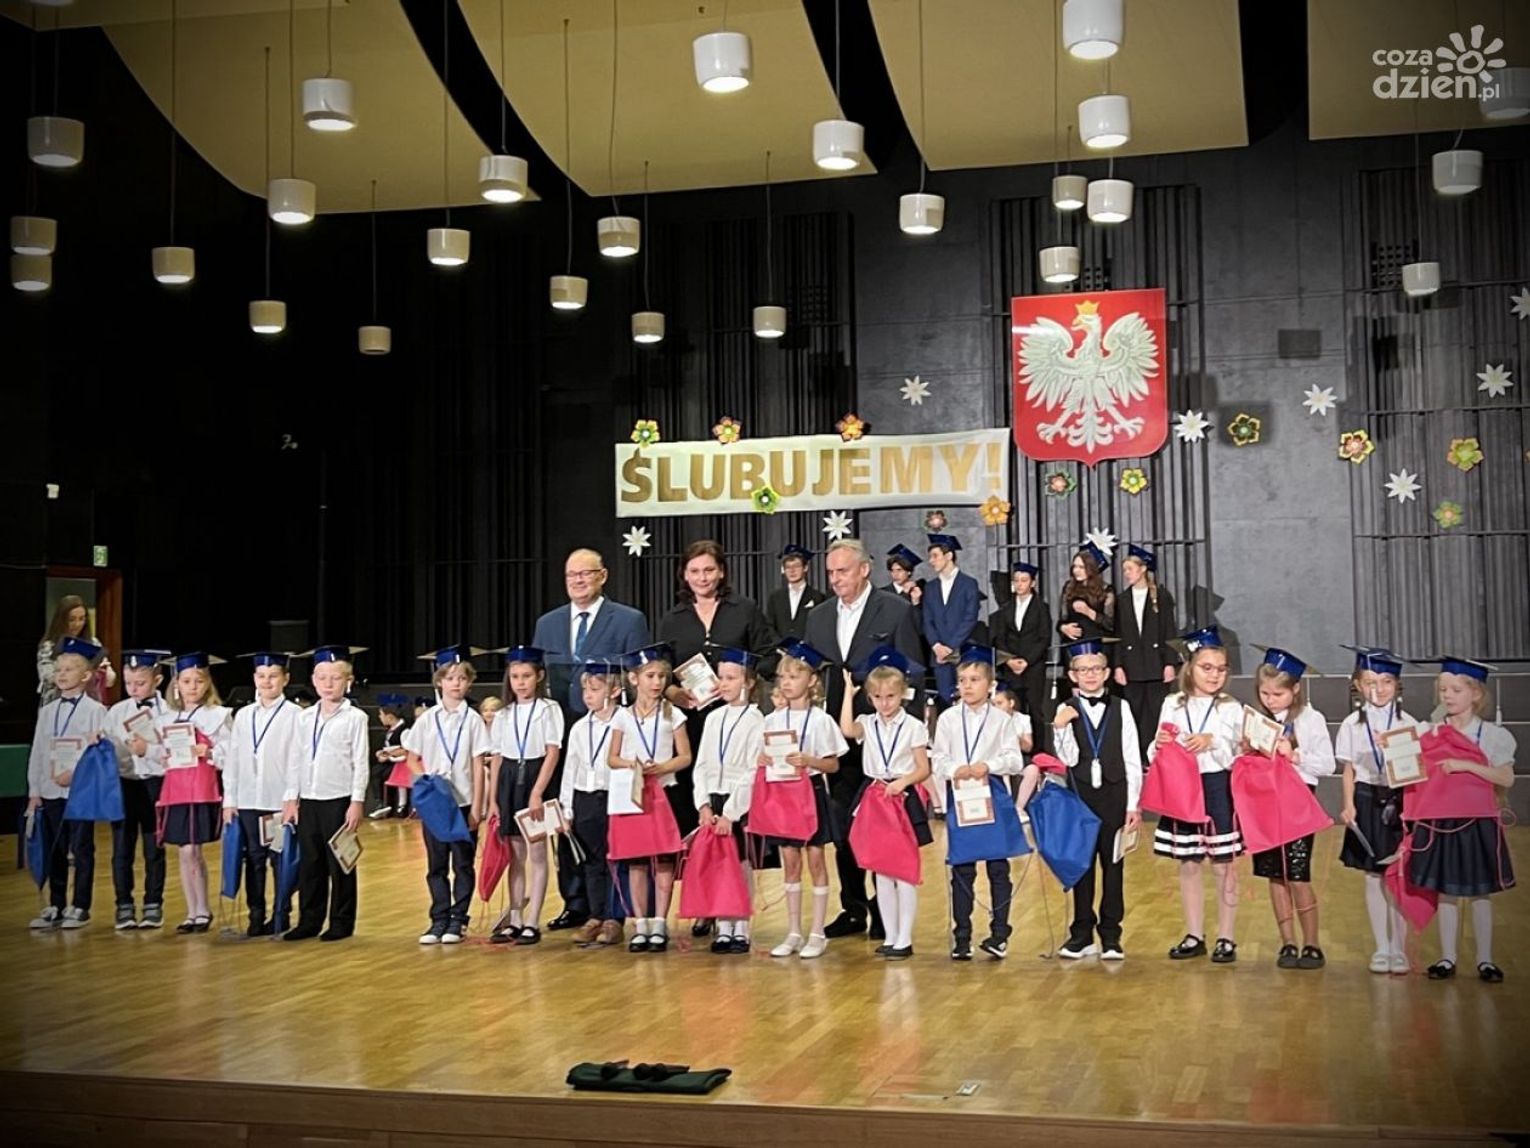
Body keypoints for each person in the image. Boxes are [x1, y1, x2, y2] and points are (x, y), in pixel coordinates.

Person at [802, 538, 923, 940]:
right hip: (837, 738)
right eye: (831, 572)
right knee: (842, 825)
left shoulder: (896, 609)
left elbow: (913, 671)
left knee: (884, 827)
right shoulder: (818, 616)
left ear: (864, 569)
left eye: (843, 571)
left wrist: (906, 739)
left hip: (883, 740)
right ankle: (853, 908)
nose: (836, 579)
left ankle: (883, 909)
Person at [530, 547, 650, 931]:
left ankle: (615, 906)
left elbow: (639, 675)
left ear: (603, 576)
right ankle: (576, 902)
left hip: (613, 735)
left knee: (611, 827)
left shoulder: (629, 620)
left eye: (586, 573)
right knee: (567, 820)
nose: (578, 581)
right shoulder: (547, 624)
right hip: (562, 735)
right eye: (572, 575)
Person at [658, 540, 776, 840]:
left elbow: (769, 656)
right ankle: (697, 851)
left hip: (738, 721)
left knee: (742, 785)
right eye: (695, 571)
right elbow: (662, 670)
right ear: (684, 574)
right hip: (691, 721)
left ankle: (743, 855)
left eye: (709, 570)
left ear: (722, 571)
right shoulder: (673, 619)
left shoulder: (745, 610)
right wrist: (672, 693)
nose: (702, 577)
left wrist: (743, 678)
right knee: (693, 785)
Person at [1412, 658, 1516, 984]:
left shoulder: (1492, 736)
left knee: (1480, 893)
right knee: (1446, 891)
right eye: (1443, 690)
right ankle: (1448, 957)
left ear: (1476, 694)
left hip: (1477, 821)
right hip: (1441, 820)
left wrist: (1465, 765)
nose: (1448, 696)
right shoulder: (1429, 732)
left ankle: (1485, 959)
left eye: (1456, 690)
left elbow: (1506, 777)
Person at [930, 645, 1031, 961]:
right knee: (962, 867)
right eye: (962, 680)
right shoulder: (948, 719)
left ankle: (1000, 934)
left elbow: (1014, 759)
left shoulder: (1001, 720)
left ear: (990, 685)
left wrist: (988, 765)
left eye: (974, 680)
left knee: (998, 867)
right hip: (962, 796)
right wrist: (954, 769)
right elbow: (938, 758)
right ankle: (962, 936)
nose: (967, 686)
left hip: (993, 793)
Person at [1150, 627, 1243, 964]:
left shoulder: (1231, 707)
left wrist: (1212, 741)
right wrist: (1158, 744)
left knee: (1223, 865)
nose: (1214, 675)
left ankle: (1226, 937)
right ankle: (1194, 934)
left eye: (1221, 669)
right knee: (1188, 863)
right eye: (1206, 667)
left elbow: (1238, 754)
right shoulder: (1172, 703)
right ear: (1189, 668)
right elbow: (1156, 751)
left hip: (1217, 786)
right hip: (1182, 787)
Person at [1051, 638, 1143, 960]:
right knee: (1082, 865)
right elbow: (1068, 758)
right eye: (1083, 670)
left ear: (1106, 673)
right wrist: (1060, 728)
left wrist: (1132, 804)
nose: (1090, 675)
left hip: (1115, 795)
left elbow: (1132, 757)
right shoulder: (1065, 709)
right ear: (1072, 675)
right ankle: (1081, 933)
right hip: (1081, 797)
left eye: (1096, 669)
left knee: (1113, 865)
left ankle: (1111, 935)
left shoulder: (1121, 707)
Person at [839, 647, 932, 961]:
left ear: (902, 693)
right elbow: (846, 730)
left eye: (891, 696)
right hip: (875, 795)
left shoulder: (913, 726)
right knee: (881, 870)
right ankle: (891, 935)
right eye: (877, 697)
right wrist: (848, 696)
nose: (884, 703)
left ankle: (905, 937)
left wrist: (903, 782)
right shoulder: (867, 722)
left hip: (901, 796)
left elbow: (923, 768)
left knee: (902, 870)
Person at [1245, 647, 1335, 970]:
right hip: (1266, 804)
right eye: (1265, 693)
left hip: (1298, 803)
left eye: (1278, 694)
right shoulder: (1257, 720)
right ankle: (1287, 942)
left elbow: (1327, 764)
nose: (1270, 700)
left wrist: (1295, 755)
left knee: (1298, 875)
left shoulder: (1311, 719)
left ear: (1295, 689)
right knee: (1275, 876)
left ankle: (1312, 943)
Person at [760, 639, 848, 960]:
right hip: (782, 793)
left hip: (810, 791)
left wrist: (809, 760)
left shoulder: (821, 720)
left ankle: (818, 932)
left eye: (794, 676)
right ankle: (794, 931)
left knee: (815, 859)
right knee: (790, 862)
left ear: (811, 681)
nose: (786, 683)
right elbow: (763, 756)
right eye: (782, 677)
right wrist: (763, 760)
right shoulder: (772, 720)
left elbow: (833, 764)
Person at [607, 644, 693, 953]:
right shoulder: (622, 717)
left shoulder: (673, 715)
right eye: (650, 676)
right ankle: (640, 924)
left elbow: (685, 756)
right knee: (638, 861)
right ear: (634, 679)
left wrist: (662, 768)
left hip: (664, 793)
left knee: (664, 859)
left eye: (661, 677)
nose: (657, 682)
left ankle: (659, 922)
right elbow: (612, 757)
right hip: (634, 795)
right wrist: (631, 764)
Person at [1335, 646, 1417, 974]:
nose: (1378, 689)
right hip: (1367, 798)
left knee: (1398, 877)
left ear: (1397, 684)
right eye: (1370, 682)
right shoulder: (1352, 724)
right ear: (1358, 684)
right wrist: (1348, 804)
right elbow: (1349, 770)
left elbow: (1416, 772)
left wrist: (1396, 748)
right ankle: (1381, 947)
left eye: (1386, 681)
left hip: (1400, 799)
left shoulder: (1409, 723)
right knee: (1373, 876)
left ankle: (1399, 948)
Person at [282, 646, 369, 942]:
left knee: (340, 861)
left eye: (335, 678)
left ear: (348, 681)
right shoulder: (304, 718)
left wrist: (356, 801)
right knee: (311, 863)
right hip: (309, 798)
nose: (328, 683)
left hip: (338, 798)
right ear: (313, 680)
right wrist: (291, 797)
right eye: (322, 678)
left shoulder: (355, 717)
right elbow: (295, 758)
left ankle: (342, 921)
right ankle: (309, 920)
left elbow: (360, 761)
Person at [404, 646, 489, 946]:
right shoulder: (428, 720)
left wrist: (477, 806)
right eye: (450, 678)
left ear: (469, 683)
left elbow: (478, 765)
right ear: (439, 681)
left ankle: (458, 918)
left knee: (463, 864)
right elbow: (412, 758)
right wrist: (426, 782)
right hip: (437, 804)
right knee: (436, 864)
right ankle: (438, 918)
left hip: (463, 802)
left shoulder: (473, 720)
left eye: (462, 678)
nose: (456, 683)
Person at [26, 635, 109, 929]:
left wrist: (75, 773)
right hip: (50, 790)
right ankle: (56, 903)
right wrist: (34, 790)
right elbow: (38, 751)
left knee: (82, 848)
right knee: (54, 848)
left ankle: (81, 905)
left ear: (85, 676)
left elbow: (98, 755)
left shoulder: (96, 711)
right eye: (58, 669)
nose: (61, 675)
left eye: (69, 669)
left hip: (80, 791)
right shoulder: (47, 712)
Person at [488, 646, 566, 945]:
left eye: (526, 676)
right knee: (516, 855)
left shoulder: (549, 709)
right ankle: (515, 918)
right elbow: (497, 757)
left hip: (536, 777)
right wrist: (493, 799)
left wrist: (537, 792)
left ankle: (533, 920)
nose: (520, 683)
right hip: (509, 779)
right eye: (515, 677)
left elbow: (552, 753)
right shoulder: (503, 714)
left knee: (537, 853)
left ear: (539, 676)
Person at [222, 652, 303, 937]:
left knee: (280, 858)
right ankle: (256, 915)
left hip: (277, 801)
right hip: (248, 800)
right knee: (253, 859)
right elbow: (233, 759)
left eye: (273, 676)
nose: (267, 681)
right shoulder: (244, 715)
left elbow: (296, 760)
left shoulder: (295, 715)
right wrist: (229, 799)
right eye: (261, 676)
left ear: (286, 679)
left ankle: (281, 914)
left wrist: (292, 796)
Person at [152, 652, 232, 935]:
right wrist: (160, 756)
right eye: (186, 681)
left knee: (193, 849)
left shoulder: (218, 716)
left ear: (207, 683)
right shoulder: (165, 719)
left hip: (201, 789)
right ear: (176, 684)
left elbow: (230, 753)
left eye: (198, 681)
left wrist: (208, 752)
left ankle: (203, 910)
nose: (192, 687)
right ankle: (192, 911)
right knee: (183, 852)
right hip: (175, 790)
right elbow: (159, 756)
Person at [693, 648, 765, 954]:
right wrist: (703, 804)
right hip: (714, 797)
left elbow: (752, 771)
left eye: (731, 678)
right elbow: (701, 764)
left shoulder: (756, 719)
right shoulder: (714, 718)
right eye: (721, 677)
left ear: (748, 682)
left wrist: (731, 813)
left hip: (739, 803)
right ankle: (723, 924)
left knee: (741, 863)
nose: (724, 683)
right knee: (719, 864)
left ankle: (742, 926)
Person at [560, 659, 626, 948]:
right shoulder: (579, 727)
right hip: (584, 798)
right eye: (585, 690)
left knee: (616, 859)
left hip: (614, 797)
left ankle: (615, 917)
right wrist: (567, 808)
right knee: (590, 861)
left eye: (595, 690)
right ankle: (595, 914)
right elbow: (570, 768)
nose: (588, 696)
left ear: (614, 691)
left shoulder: (624, 722)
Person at [103, 650, 170, 929]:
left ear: (157, 680)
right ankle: (124, 904)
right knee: (122, 847)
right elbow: (107, 748)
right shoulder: (117, 712)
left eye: (140, 683)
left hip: (156, 782)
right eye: (129, 682)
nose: (133, 688)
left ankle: (153, 903)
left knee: (154, 847)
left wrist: (149, 749)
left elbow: (172, 751)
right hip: (125, 783)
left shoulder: (170, 711)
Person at [1113, 545, 1179, 751]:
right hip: (1132, 666)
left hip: (1156, 664)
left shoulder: (1161, 596)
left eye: (1130, 569)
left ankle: (1156, 754)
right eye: (1124, 570)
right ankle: (1138, 755)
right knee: (1134, 713)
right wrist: (1118, 665)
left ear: (1142, 569)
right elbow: (1118, 635)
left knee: (1157, 712)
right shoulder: (1122, 599)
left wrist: (1169, 663)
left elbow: (1169, 631)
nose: (1126, 574)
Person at [988, 560, 1052, 726]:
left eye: (1024, 580)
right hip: (1011, 666)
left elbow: (1044, 638)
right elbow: (1000, 637)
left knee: (1035, 710)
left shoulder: (1041, 607)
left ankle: (1038, 743)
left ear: (1032, 583)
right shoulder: (1006, 608)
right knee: (1014, 708)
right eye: (1016, 580)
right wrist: (1009, 660)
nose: (1019, 584)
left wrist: (1027, 661)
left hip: (1033, 666)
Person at [922, 534, 982, 705]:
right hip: (939, 654)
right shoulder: (930, 587)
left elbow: (970, 618)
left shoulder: (969, 583)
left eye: (935, 556)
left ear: (949, 556)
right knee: (945, 702)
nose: (931, 561)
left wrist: (950, 647)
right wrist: (936, 646)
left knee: (967, 700)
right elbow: (927, 620)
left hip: (962, 651)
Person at [37, 595, 116, 707]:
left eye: (81, 619)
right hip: (56, 703)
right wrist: (82, 674)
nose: (77, 624)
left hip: (88, 703)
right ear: (61, 620)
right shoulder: (49, 646)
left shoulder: (93, 643)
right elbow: (48, 676)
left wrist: (104, 673)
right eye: (72, 619)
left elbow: (110, 680)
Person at [1056, 542, 1115, 645]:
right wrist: (1063, 628)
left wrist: (1089, 612)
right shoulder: (1068, 587)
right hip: (1073, 645)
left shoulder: (1106, 590)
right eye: (1075, 566)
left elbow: (1110, 625)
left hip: (1097, 645)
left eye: (1081, 567)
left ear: (1091, 568)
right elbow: (1062, 620)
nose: (1076, 571)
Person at [765, 544, 825, 641]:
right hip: (780, 649)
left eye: (796, 566)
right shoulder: (775, 597)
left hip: (808, 648)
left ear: (805, 567)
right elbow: (769, 626)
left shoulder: (818, 597)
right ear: (783, 570)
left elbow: (820, 626)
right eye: (788, 567)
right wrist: (780, 645)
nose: (792, 571)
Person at [369, 694, 413, 820]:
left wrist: (389, 756)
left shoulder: (404, 731)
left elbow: (406, 750)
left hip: (401, 765)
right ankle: (382, 803)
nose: (379, 717)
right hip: (391, 762)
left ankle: (398, 806)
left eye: (381, 715)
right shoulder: (389, 731)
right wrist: (382, 753)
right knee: (377, 772)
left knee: (382, 774)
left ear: (390, 716)